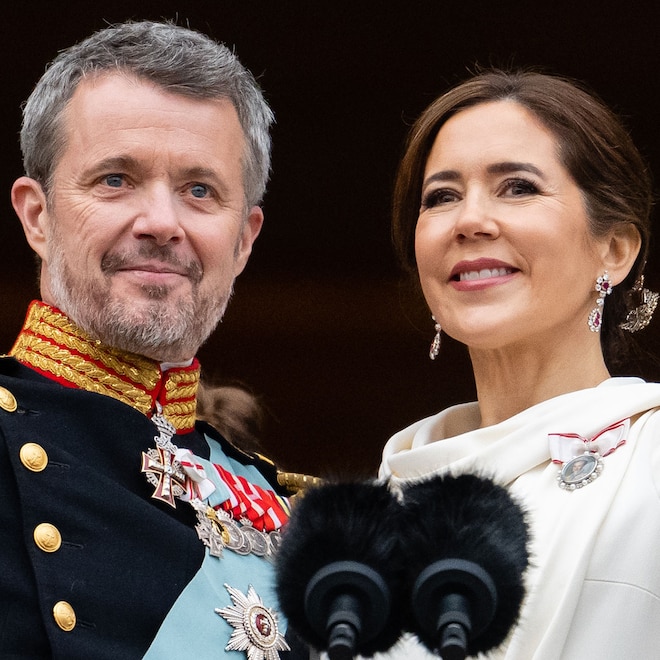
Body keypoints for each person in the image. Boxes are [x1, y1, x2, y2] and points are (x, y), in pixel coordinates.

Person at [0, 20, 310, 659]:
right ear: (38, 216)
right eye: (115, 179)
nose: (162, 223)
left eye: (200, 190)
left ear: (245, 239)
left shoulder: (288, 511)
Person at [378, 69, 660, 658]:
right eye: (442, 197)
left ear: (615, 249)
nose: (470, 220)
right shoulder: (385, 500)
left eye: (518, 188)